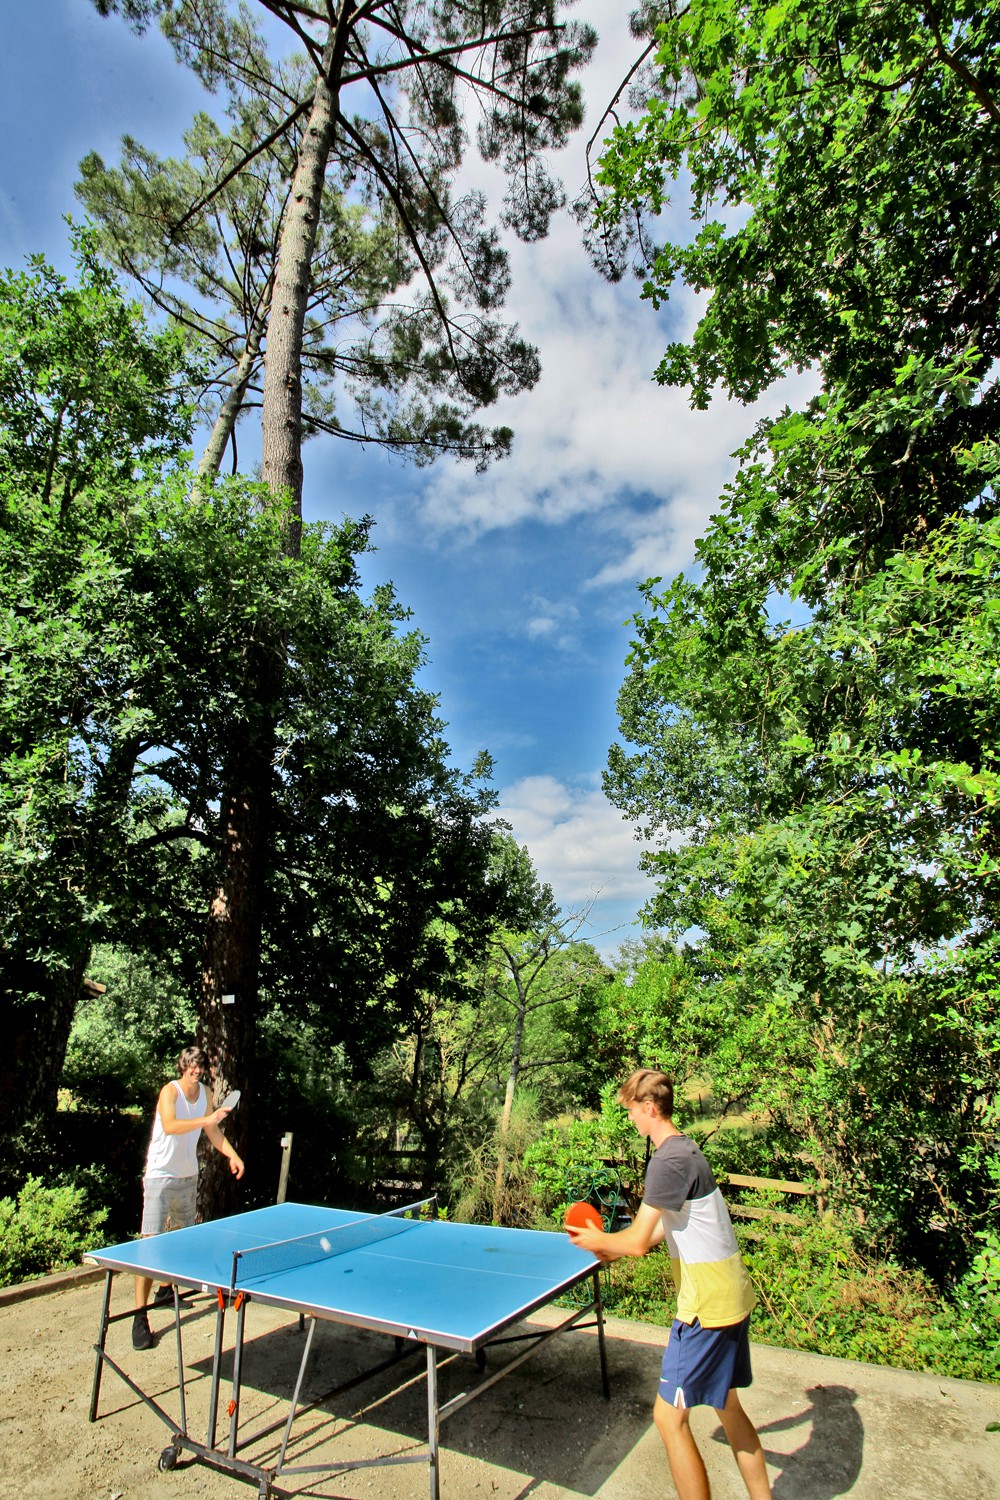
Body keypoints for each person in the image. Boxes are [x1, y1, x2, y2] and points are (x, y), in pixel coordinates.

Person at [566, 1068, 772, 1500]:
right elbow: (665, 1229)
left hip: (706, 1308)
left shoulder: (667, 1161)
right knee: (727, 1406)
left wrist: (599, 1240)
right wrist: (612, 1247)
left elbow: (640, 1241)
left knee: (668, 1418)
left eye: (631, 1111)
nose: (630, 1120)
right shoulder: (687, 1151)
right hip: (731, 1295)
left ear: (649, 1107)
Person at [132, 1044, 245, 1350]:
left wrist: (233, 1155)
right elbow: (170, 1126)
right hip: (160, 1176)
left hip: (187, 1175)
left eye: (200, 1066)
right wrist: (207, 1121)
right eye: (191, 1066)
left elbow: (213, 1134)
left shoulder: (206, 1094)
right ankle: (139, 1316)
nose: (196, 1070)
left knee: (181, 1238)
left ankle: (166, 1291)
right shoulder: (170, 1092)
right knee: (150, 1244)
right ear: (183, 1067)